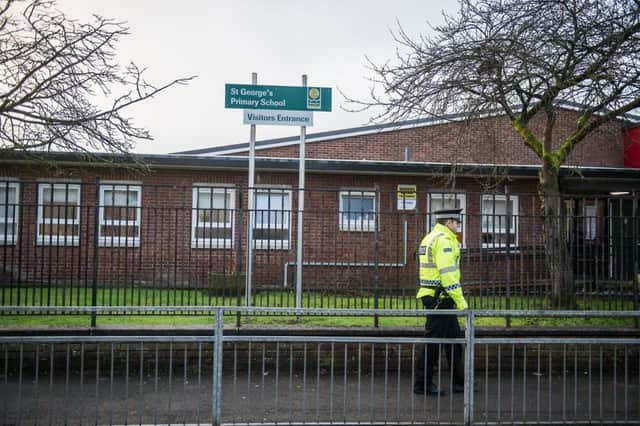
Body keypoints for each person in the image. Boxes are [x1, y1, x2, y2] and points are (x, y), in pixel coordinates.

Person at [414, 208, 468, 396]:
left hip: (435, 297)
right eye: (456, 222)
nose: (458, 225)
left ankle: (460, 382)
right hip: (441, 299)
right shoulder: (444, 241)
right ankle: (422, 385)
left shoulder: (430, 237)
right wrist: (462, 302)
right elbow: (448, 275)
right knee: (433, 344)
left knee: (454, 341)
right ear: (448, 223)